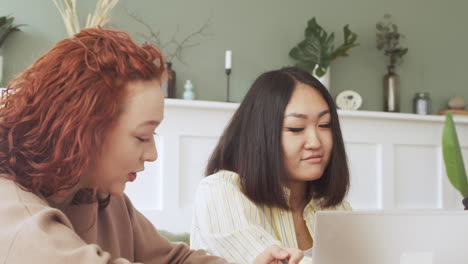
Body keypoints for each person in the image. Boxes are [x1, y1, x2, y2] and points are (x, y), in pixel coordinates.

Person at [0, 28, 303, 264]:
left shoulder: (103, 197)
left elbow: (175, 259)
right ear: (82, 129)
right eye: (142, 137)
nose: (153, 154)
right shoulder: (12, 214)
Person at [190, 67, 351, 264]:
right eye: (296, 128)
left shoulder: (336, 208)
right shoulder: (220, 191)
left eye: (325, 125)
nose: (315, 142)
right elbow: (267, 259)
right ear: (261, 134)